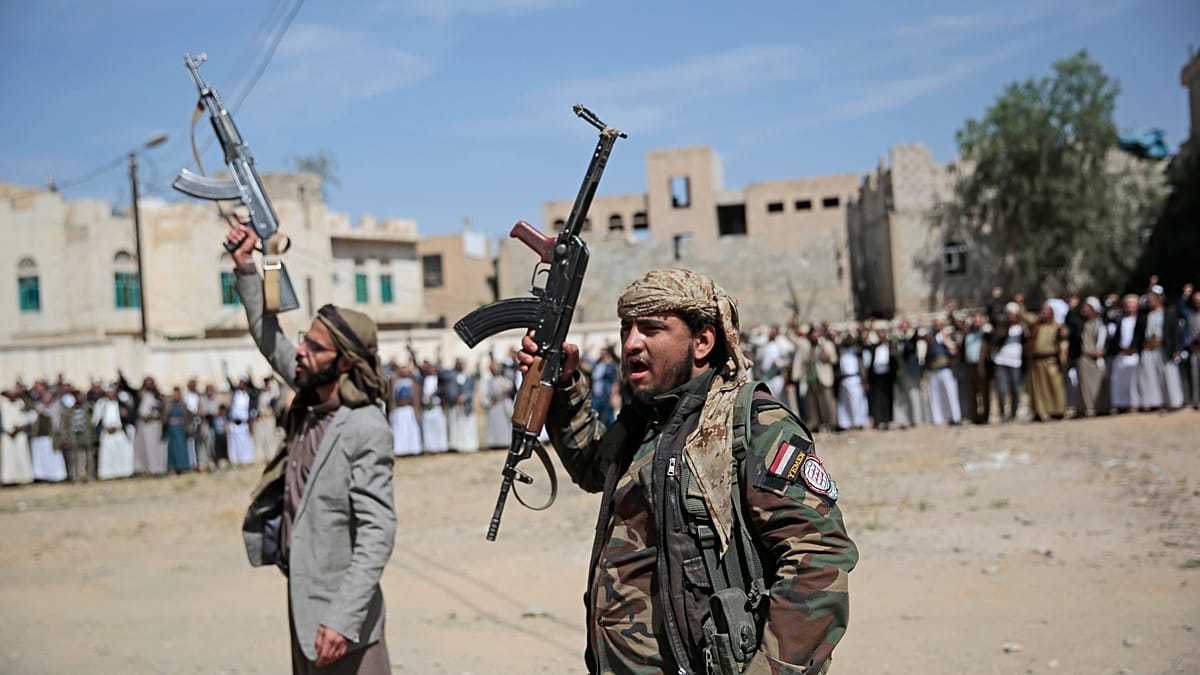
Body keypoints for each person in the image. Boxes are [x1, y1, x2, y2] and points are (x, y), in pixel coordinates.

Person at [519, 269, 856, 674]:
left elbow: (817, 555)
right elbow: (594, 468)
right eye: (626, 329)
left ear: (702, 342)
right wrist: (565, 386)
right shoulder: (646, 421)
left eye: (651, 328)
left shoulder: (751, 425)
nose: (632, 343)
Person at [229, 224, 395, 674]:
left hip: (344, 627)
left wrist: (343, 620)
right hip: (305, 608)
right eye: (304, 339)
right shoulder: (310, 393)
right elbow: (270, 340)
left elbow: (378, 532)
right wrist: (247, 267)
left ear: (343, 362)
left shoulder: (364, 427)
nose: (300, 351)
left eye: (314, 347)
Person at [1133, 284, 1184, 411]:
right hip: (1148, 349)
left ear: (1160, 299)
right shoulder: (1144, 315)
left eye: (1152, 297)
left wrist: (1176, 349)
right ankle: (1153, 402)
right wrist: (1135, 346)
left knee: (1168, 374)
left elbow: (1175, 333)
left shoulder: (1169, 314)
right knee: (1149, 376)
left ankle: (1173, 401)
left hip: (1164, 349)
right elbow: (1138, 333)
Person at [1022, 302, 1068, 421]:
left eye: (1046, 311)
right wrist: (1020, 304)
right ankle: (1039, 411)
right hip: (1036, 361)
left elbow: (1063, 341)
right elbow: (1024, 316)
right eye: (1042, 310)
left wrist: (1063, 357)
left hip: (1051, 360)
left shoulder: (1057, 327)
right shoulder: (1036, 325)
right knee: (1037, 388)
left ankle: (1058, 410)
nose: (1043, 313)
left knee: (1055, 385)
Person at [1076, 297, 1110, 417]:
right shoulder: (1082, 324)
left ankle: (1101, 407)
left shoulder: (1100, 324)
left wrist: (1101, 351)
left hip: (1096, 360)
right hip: (1084, 358)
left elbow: (1104, 342)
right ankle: (1088, 408)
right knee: (1085, 386)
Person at [1107, 294, 1141, 412]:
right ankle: (1121, 404)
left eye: (1133, 304)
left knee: (1135, 380)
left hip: (1136, 353)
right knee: (1119, 380)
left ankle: (1135, 403)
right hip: (1121, 353)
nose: (1130, 306)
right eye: (1127, 304)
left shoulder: (1140, 318)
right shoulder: (1119, 319)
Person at [93, 385, 134, 480]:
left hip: (119, 432)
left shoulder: (121, 402)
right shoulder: (101, 403)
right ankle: (108, 474)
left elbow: (130, 415)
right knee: (107, 455)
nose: (110, 394)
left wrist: (125, 414)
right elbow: (96, 420)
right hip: (107, 433)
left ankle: (123, 473)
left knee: (122, 454)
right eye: (108, 392)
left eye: (112, 392)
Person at [57, 388, 95, 483]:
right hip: (74, 436)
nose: (79, 398)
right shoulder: (68, 411)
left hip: (86, 435)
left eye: (81, 396)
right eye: (77, 396)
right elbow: (64, 425)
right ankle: (76, 476)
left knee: (89, 457)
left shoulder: (88, 408)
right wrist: (65, 438)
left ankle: (89, 476)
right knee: (74, 458)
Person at [1, 387, 35, 486]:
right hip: (7, 435)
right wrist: (7, 431)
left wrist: (19, 428)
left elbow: (30, 418)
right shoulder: (3, 404)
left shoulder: (21, 403)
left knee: (22, 455)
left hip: (20, 433)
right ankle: (8, 479)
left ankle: (24, 478)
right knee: (8, 457)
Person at [389, 364, 422, 456]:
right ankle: (400, 449)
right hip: (399, 410)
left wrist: (417, 410)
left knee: (411, 429)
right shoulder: (395, 382)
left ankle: (412, 449)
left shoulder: (413, 382)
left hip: (409, 409)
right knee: (400, 430)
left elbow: (416, 398)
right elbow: (392, 397)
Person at [165, 387, 194, 474]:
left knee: (181, 447)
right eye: (174, 394)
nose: (176, 396)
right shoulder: (169, 405)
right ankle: (172, 467)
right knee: (172, 448)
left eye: (177, 394)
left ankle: (183, 466)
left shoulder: (183, 405)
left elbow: (188, 415)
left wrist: (188, 426)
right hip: (172, 428)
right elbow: (165, 416)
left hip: (181, 429)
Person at [1185, 290, 1200, 409]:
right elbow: (1186, 334)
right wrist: (1189, 344)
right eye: (1195, 300)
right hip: (1194, 350)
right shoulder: (1190, 316)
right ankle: (1195, 400)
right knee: (1194, 376)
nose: (1197, 302)